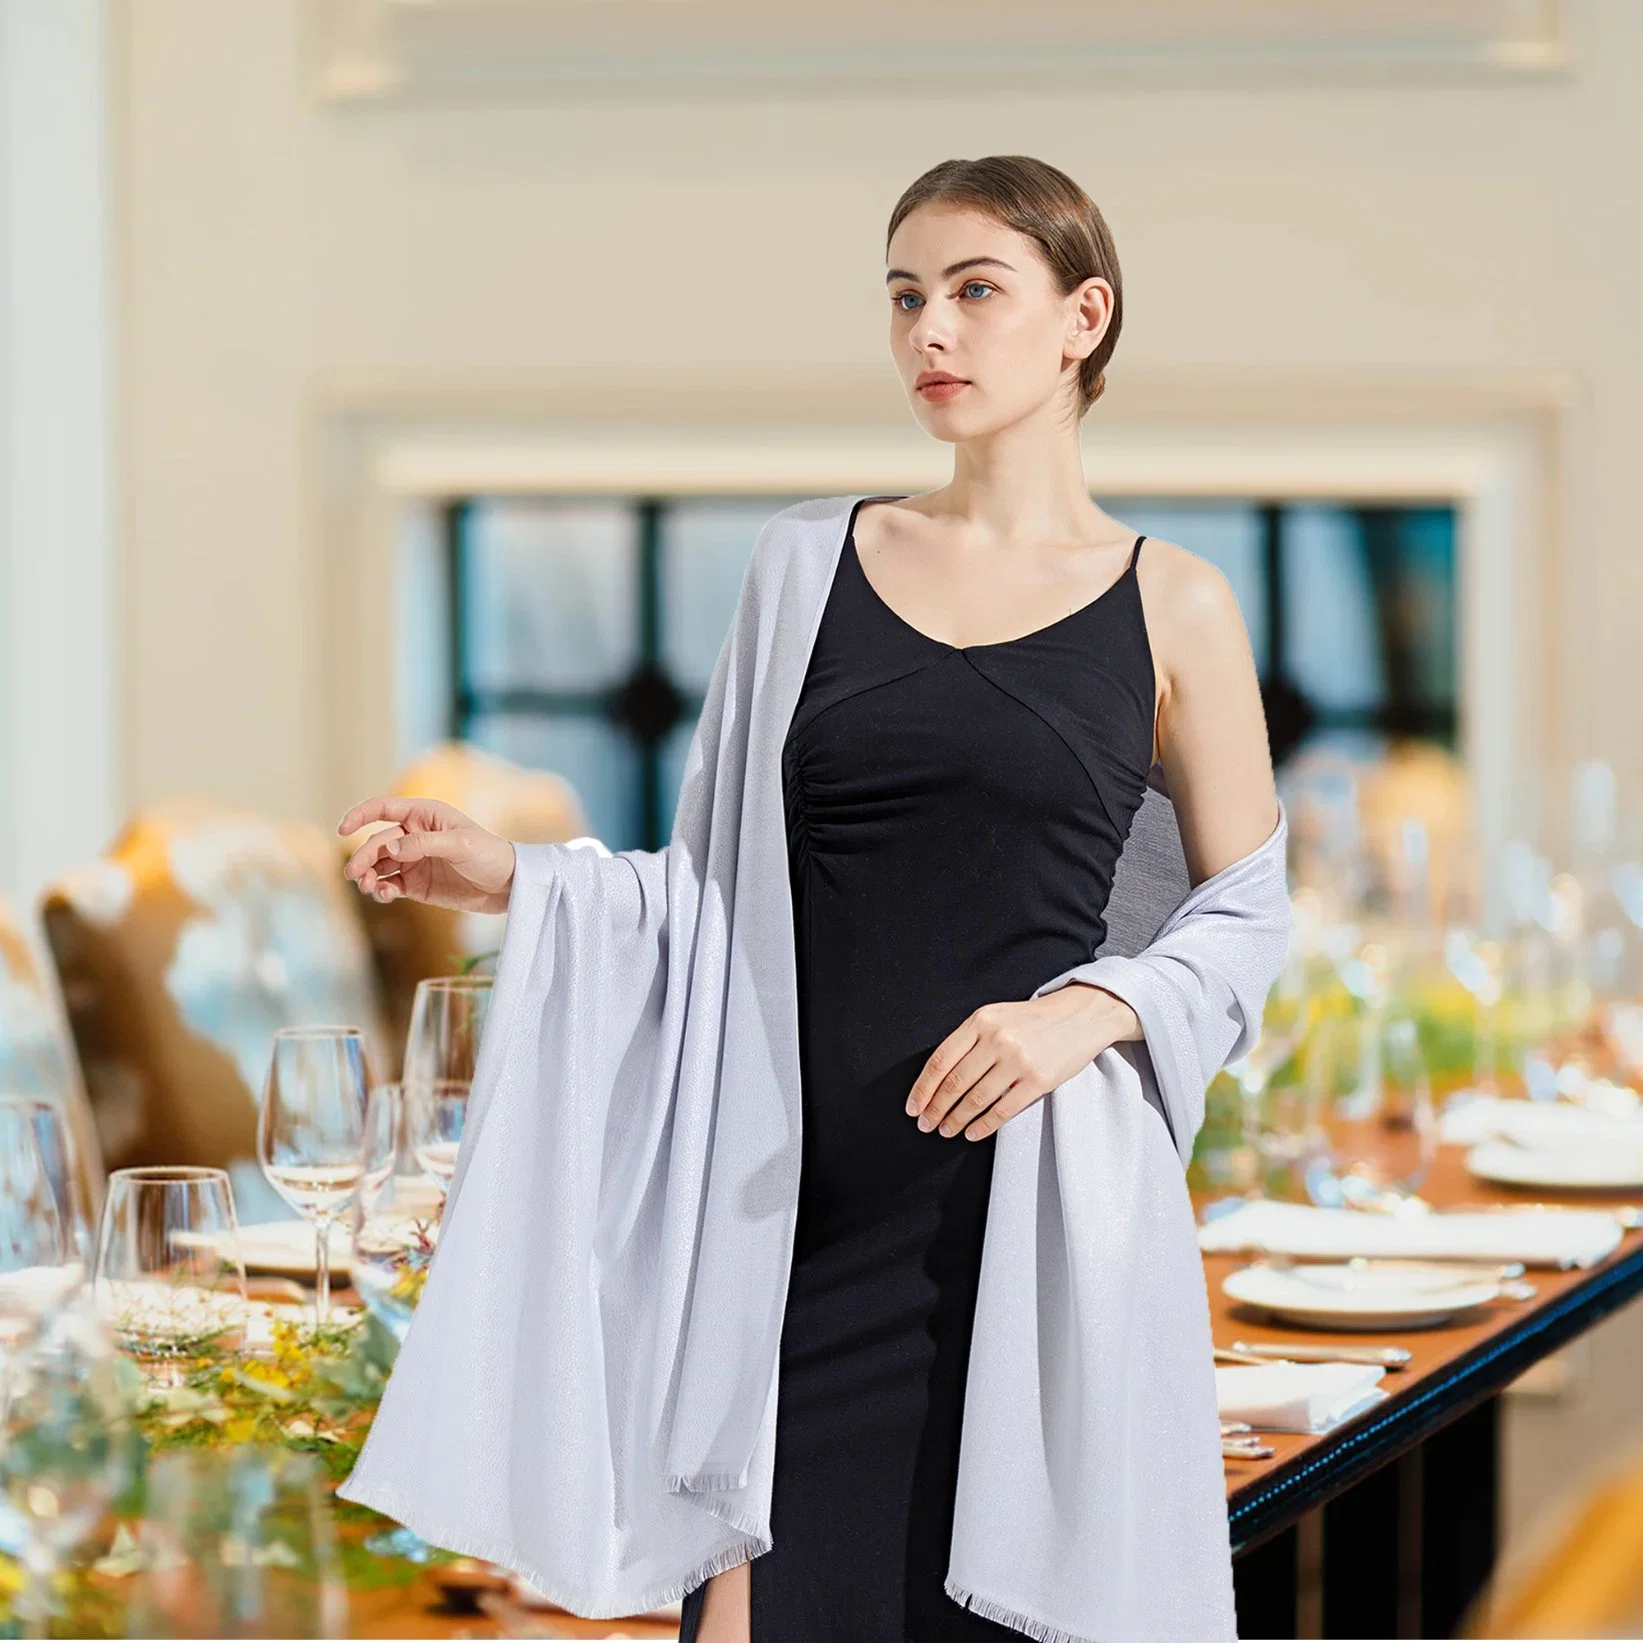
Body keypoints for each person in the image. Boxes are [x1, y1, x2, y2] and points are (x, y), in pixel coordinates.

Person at [338, 155, 1280, 1643]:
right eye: (906, 298)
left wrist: (1085, 1012)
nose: (931, 336)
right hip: (798, 1219)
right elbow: (719, 896)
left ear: (1081, 317)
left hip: (1028, 1223)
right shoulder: (803, 565)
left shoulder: (1175, 603)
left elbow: (1243, 914)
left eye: (975, 292)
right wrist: (516, 878)